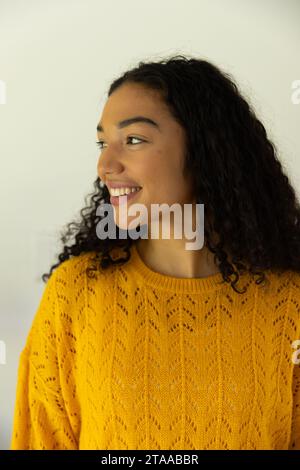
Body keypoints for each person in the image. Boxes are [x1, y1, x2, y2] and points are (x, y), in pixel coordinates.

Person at [10, 55, 300, 450]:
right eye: (102, 143)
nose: (105, 164)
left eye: (133, 140)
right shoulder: (76, 295)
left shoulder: (289, 304)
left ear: (204, 150)